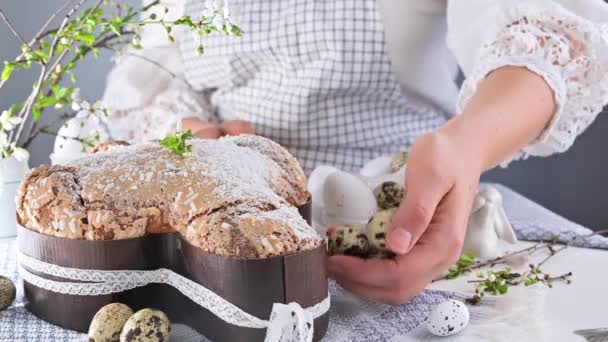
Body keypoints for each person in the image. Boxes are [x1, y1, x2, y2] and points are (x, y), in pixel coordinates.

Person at [102, 0, 608, 305]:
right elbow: (156, 77)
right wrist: (190, 133)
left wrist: (466, 145)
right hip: (237, 226)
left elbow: (549, 36)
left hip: (415, 205)